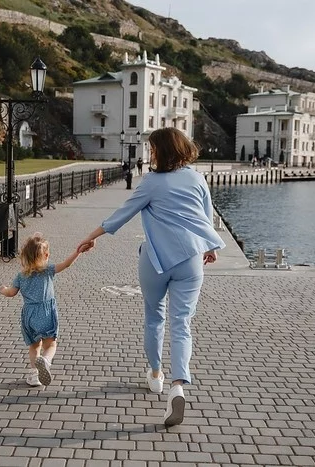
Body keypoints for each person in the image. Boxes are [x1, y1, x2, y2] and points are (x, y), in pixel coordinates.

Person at [76, 127, 225, 427]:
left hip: (156, 261)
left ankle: (155, 375)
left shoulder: (152, 183)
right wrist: (210, 247)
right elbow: (205, 218)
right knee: (182, 324)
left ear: (162, 151)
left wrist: (91, 237)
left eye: (153, 148)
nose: (150, 153)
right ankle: (178, 385)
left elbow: (123, 213)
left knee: (154, 317)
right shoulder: (198, 178)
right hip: (191, 261)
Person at [0, 232, 82, 387]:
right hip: (46, 312)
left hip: (29, 315)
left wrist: (3, 289)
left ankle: (33, 376)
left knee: (34, 346)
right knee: (51, 344)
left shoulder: (21, 276)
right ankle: (46, 360)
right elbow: (66, 264)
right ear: (46, 255)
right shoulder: (48, 271)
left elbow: (11, 293)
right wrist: (77, 252)